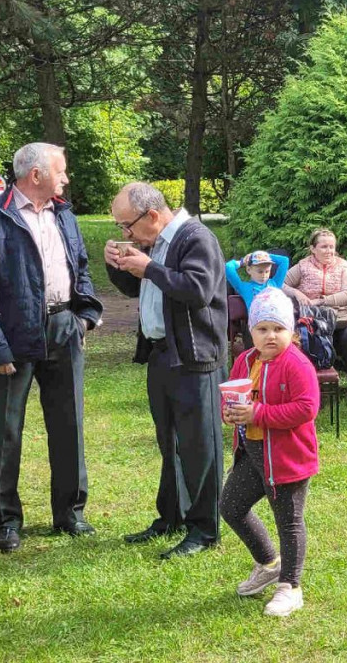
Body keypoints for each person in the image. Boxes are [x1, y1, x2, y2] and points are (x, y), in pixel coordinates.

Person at [0, 142, 103, 553]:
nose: (66, 178)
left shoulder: (64, 213)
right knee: (5, 431)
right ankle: (4, 521)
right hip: (10, 334)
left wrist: (85, 316)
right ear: (35, 174)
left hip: (63, 328)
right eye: (61, 170)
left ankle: (70, 513)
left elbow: (81, 266)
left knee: (69, 423)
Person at [105, 182, 228, 559]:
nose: (125, 233)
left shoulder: (196, 238)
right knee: (170, 441)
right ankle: (172, 516)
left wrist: (150, 268)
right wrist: (119, 267)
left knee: (200, 445)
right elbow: (137, 287)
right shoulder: (154, 243)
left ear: (153, 216)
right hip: (163, 354)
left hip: (195, 355)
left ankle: (205, 529)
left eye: (127, 226)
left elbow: (197, 290)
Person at [220, 287, 320, 617]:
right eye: (263, 329)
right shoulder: (244, 361)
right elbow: (232, 398)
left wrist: (258, 413)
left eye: (278, 329)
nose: (271, 336)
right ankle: (268, 563)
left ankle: (290, 587)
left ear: (291, 331)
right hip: (252, 454)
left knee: (289, 523)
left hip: (287, 458)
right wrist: (230, 412)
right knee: (231, 506)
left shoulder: (297, 364)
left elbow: (306, 408)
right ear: (251, 332)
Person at [283, 228, 347, 402]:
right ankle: (309, 388)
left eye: (332, 247)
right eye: (324, 247)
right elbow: (281, 284)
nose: (329, 251)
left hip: (342, 318)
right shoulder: (302, 266)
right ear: (313, 248)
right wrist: (297, 294)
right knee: (303, 340)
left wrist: (321, 301)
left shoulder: (343, 266)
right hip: (313, 319)